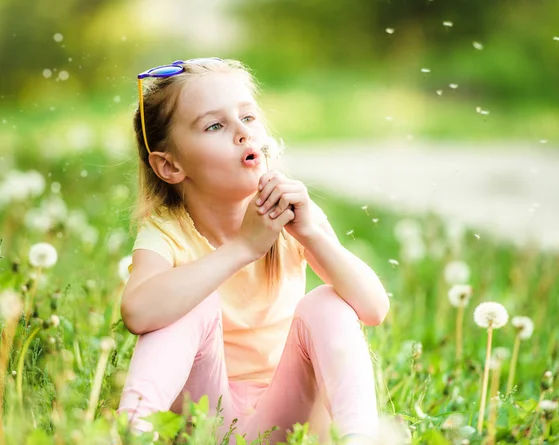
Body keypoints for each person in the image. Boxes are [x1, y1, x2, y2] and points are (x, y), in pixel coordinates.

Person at [117, 57, 390, 444]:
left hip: (288, 422)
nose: (242, 134)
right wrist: (244, 247)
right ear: (170, 166)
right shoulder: (167, 231)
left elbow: (373, 309)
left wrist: (313, 234)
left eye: (248, 118)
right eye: (215, 125)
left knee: (326, 303)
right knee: (186, 302)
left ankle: (360, 438)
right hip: (206, 424)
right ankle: (132, 432)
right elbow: (139, 312)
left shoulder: (290, 217)